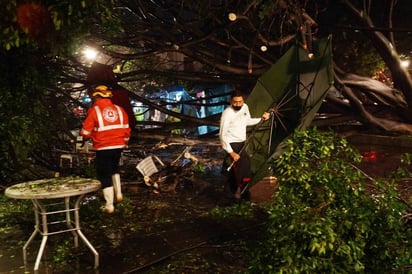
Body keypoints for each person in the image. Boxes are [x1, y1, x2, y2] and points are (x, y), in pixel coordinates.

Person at [80, 85, 131, 213]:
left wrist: (86, 134)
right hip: (118, 145)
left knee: (104, 174)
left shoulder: (94, 111)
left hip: (103, 147)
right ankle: (118, 194)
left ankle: (109, 205)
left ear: (96, 97)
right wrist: (124, 142)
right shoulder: (120, 110)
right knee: (114, 168)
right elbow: (126, 129)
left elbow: (85, 132)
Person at [219, 89, 270, 199]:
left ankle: (229, 195)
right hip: (232, 144)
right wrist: (231, 153)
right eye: (235, 102)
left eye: (240, 101)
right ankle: (244, 193)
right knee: (244, 166)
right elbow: (222, 135)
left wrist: (261, 119)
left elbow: (247, 121)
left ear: (243, 100)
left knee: (234, 171)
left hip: (242, 142)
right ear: (230, 101)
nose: (238, 104)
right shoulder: (227, 114)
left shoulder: (245, 107)